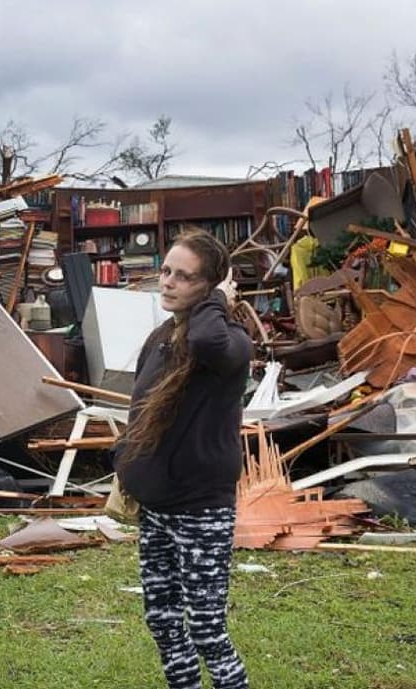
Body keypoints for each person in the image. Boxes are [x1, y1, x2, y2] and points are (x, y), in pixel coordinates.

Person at [115, 228, 252, 689]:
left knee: (207, 630)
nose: (167, 282)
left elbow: (208, 341)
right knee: (163, 620)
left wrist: (217, 298)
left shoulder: (230, 343)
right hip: (157, 509)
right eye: (166, 270)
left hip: (200, 510)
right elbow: (139, 406)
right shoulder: (162, 338)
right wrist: (126, 464)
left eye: (184, 277)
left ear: (210, 285)